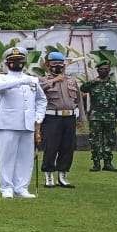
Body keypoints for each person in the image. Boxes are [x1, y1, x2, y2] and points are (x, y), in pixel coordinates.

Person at [0, 47, 47, 199]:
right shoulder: (1, 78)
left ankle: (21, 187)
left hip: (27, 123)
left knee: (25, 157)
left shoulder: (32, 79)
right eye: (13, 61)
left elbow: (41, 100)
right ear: (7, 63)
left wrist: (38, 117)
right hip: (7, 124)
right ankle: (6, 187)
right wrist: (20, 81)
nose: (17, 64)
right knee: (7, 157)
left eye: (20, 61)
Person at [39, 51, 82, 188]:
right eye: (54, 64)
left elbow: (78, 100)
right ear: (48, 65)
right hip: (52, 118)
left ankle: (63, 175)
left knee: (68, 147)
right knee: (51, 147)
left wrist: (81, 118)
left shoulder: (71, 80)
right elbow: (37, 91)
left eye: (60, 64)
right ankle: (49, 175)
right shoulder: (43, 80)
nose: (58, 67)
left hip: (69, 118)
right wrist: (53, 81)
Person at [81, 59, 117, 172]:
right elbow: (82, 88)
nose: (104, 71)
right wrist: (94, 81)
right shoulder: (93, 84)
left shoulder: (114, 85)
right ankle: (96, 163)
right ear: (98, 71)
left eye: (106, 69)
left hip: (110, 117)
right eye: (102, 69)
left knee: (110, 140)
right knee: (95, 140)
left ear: (109, 70)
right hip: (96, 117)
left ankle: (108, 163)